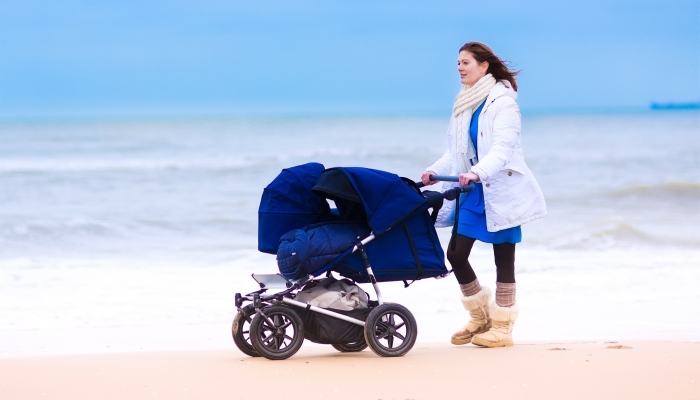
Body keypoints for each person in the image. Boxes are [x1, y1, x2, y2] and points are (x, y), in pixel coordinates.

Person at [421, 42, 546, 348]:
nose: (460, 68)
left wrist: (478, 172)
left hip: (498, 190)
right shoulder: (464, 104)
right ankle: (480, 317)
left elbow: (502, 151)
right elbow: (456, 152)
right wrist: (431, 172)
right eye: (458, 63)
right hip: (472, 192)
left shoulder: (504, 105)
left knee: (504, 259)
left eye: (466, 62)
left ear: (484, 66)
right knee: (455, 255)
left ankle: (502, 327)